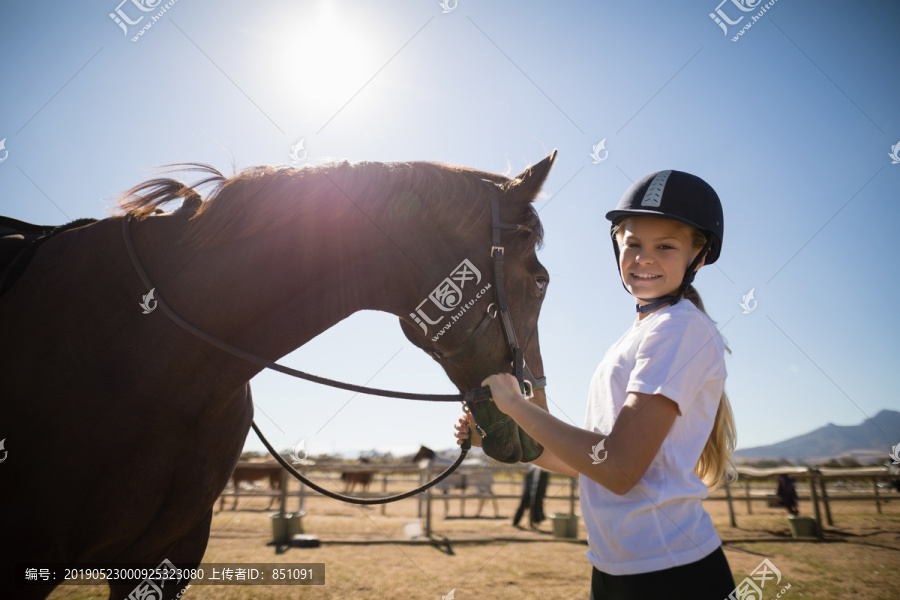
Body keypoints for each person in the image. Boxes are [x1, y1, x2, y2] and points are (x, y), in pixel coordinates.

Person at [456, 170, 738, 599]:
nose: (645, 258)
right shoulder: (643, 332)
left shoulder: (679, 329)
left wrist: (517, 407)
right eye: (633, 244)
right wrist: (498, 434)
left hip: (670, 574)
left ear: (697, 256)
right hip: (615, 568)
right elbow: (587, 463)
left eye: (666, 246)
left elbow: (620, 468)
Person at [512, 463, 549, 529]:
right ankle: (517, 521)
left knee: (535, 499)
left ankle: (533, 521)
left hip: (540, 470)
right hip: (536, 470)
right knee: (527, 499)